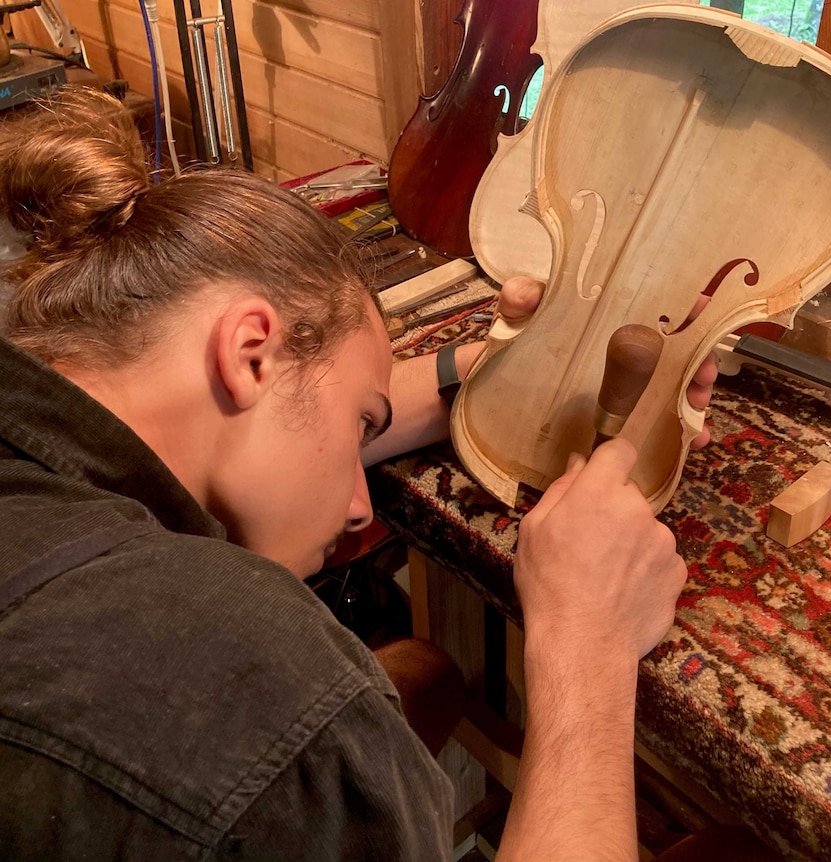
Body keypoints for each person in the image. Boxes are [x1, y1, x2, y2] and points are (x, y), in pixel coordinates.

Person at [0, 87, 715, 861]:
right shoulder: (260, 683)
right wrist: (589, 643)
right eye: (359, 429)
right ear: (250, 353)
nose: (353, 507)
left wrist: (529, 371)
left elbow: (314, 406)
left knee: (430, 675)